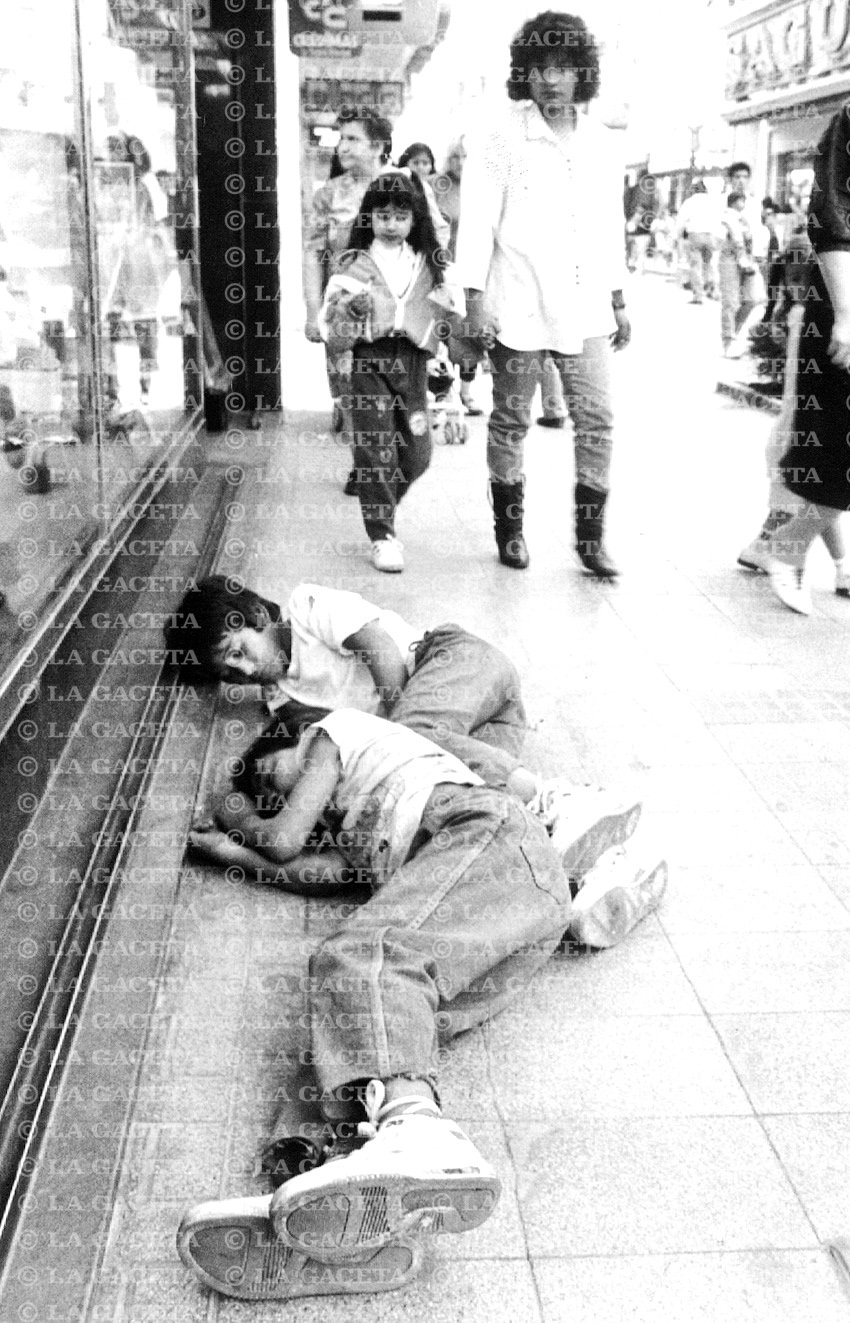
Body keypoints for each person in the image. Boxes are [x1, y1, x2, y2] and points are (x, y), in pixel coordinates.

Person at [177, 708, 664, 1301]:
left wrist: (237, 818)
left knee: (364, 956)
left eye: (267, 775)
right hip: (515, 912)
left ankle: (418, 1133)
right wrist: (231, 852)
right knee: (352, 1036)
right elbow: (311, 871)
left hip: (490, 837)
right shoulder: (352, 825)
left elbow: (283, 842)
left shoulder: (333, 734)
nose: (272, 794)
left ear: (293, 735)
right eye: (263, 795)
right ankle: (331, 1214)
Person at [455, 11, 630, 579]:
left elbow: (609, 226)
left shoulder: (602, 142)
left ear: (582, 72)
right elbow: (476, 224)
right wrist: (474, 300)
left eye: (563, 68)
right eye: (539, 68)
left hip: (586, 303)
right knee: (510, 419)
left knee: (597, 419)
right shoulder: (500, 137)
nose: (551, 80)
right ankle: (509, 532)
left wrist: (619, 299)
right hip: (518, 301)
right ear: (524, 74)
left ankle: (590, 540)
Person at [320, 169, 462, 573]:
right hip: (371, 361)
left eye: (401, 216)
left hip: (413, 362)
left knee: (418, 453)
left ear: (414, 219)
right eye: (383, 216)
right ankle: (382, 535)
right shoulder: (354, 264)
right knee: (375, 449)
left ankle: (380, 502)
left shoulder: (429, 263)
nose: (392, 224)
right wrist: (351, 311)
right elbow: (331, 322)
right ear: (370, 217)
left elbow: (449, 310)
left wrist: (456, 344)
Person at [759, 103, 850, 614]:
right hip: (843, 299)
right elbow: (832, 217)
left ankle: (799, 548)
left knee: (828, 446)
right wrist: (846, 315)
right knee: (828, 443)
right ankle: (787, 545)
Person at [303, 108, 393, 492]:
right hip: (343, 312)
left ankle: (384, 455)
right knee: (350, 389)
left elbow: (435, 244)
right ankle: (364, 462)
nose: (343, 146)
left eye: (353, 139)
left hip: (393, 311)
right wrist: (313, 312)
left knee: (389, 389)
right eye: (342, 138)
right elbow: (312, 254)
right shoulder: (328, 195)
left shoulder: (405, 188)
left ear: (378, 145)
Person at [718, 192, 767, 356]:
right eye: (741, 200)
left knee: (753, 299)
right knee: (730, 300)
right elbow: (731, 237)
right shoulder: (726, 216)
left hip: (749, 258)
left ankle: (734, 333)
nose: (744, 203)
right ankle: (728, 341)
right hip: (730, 257)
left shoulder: (747, 218)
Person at [675, 179, 721, 304]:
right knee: (708, 265)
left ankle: (698, 295)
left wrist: (678, 236)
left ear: (694, 190)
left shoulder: (690, 202)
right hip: (711, 236)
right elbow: (719, 220)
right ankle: (712, 290)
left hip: (695, 236)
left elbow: (681, 220)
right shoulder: (713, 202)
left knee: (695, 266)